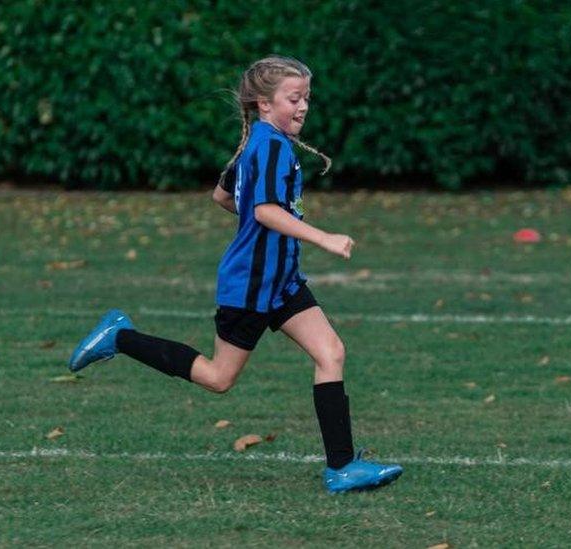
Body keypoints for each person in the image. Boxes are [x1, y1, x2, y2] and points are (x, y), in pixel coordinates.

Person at [68, 56, 402, 493]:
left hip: (281, 282)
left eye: (306, 99)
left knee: (331, 352)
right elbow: (262, 210)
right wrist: (322, 237)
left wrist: (264, 229)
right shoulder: (268, 147)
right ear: (265, 104)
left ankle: (341, 468)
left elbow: (223, 194)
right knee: (218, 378)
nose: (303, 107)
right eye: (294, 99)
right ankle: (120, 337)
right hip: (248, 285)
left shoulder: (264, 143)